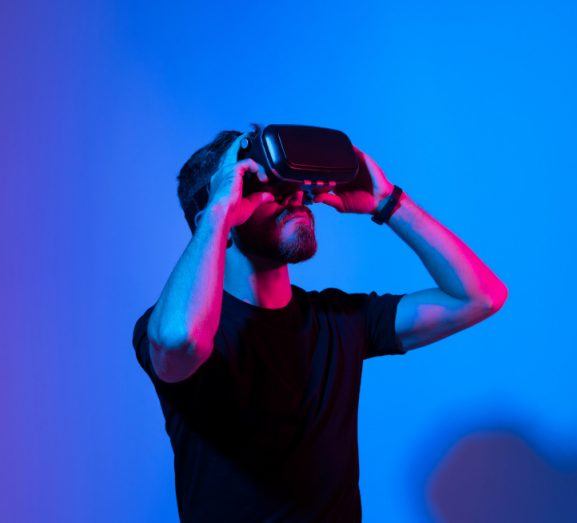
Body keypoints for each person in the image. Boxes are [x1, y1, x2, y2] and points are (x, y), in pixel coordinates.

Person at [132, 124, 508, 522]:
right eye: (264, 185)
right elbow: (178, 341)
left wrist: (387, 201)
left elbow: (480, 296)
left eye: (290, 184)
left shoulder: (339, 319)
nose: (294, 196)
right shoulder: (177, 325)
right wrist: (217, 216)